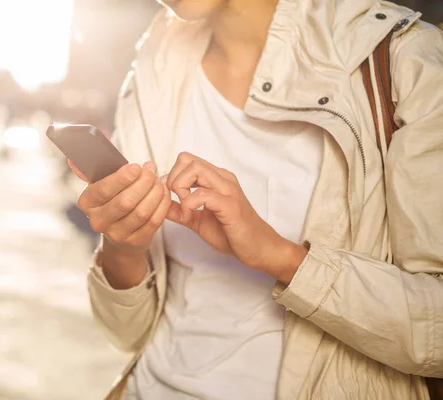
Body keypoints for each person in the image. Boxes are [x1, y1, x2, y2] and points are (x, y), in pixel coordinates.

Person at [69, 0, 443, 398]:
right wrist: (124, 248)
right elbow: (126, 335)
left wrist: (279, 256)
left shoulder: (404, 57)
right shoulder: (159, 57)